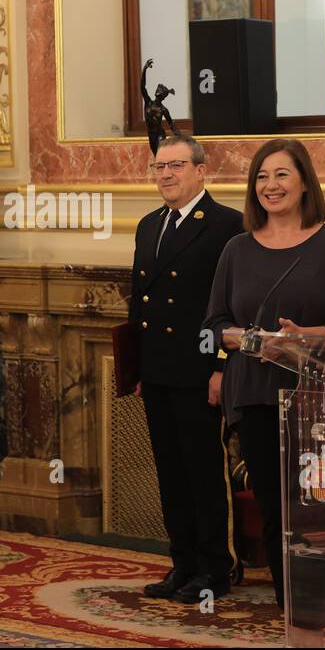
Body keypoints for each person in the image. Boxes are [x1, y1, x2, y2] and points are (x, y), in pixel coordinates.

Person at [204, 138, 325, 644]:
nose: (270, 186)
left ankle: (315, 617)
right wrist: (247, 340)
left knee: (314, 508)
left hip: (317, 397)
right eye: (261, 177)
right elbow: (213, 325)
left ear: (303, 183)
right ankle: (292, 615)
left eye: (281, 175)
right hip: (255, 394)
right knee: (277, 509)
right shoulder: (236, 248)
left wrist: (306, 338)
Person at [129, 134, 244, 604]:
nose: (166, 175)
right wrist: (134, 366)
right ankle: (183, 564)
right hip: (157, 370)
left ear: (201, 169)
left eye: (176, 165)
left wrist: (222, 367)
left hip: (200, 372)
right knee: (170, 472)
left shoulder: (228, 225)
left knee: (203, 472)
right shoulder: (148, 225)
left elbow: (232, 306)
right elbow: (141, 303)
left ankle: (217, 569)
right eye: (159, 167)